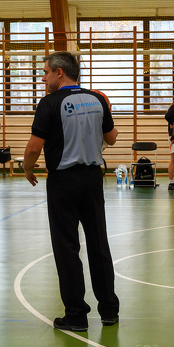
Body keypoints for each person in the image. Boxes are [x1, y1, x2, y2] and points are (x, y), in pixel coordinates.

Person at [23, 51, 120, 332]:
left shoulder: (49, 103)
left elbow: (33, 147)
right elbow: (112, 138)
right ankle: (109, 310)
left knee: (66, 247)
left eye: (46, 73)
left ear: (59, 72)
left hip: (63, 182)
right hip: (92, 179)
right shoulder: (97, 99)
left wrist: (27, 168)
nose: (43, 78)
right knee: (98, 243)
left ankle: (76, 315)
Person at [164, 98, 174, 191]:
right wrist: (173, 123)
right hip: (173, 137)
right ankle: (171, 182)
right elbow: (167, 116)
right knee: (173, 160)